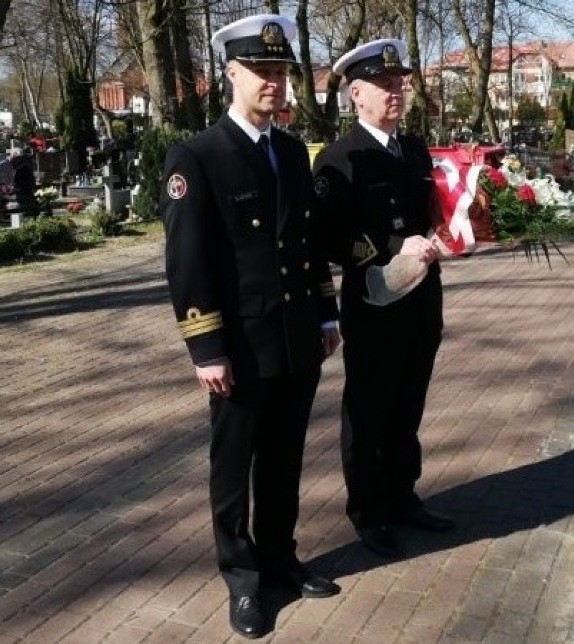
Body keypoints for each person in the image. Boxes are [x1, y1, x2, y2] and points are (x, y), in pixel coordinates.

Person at [161, 13, 341, 639]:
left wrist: (324, 313)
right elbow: (188, 262)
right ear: (230, 75)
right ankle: (241, 580)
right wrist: (206, 348)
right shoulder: (199, 156)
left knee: (286, 459)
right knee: (233, 466)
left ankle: (280, 558)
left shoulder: (292, 152)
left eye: (282, 71)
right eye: (262, 71)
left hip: (294, 335)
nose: (275, 82)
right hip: (238, 342)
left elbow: (309, 244)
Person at [312, 38, 454, 560]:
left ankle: (403, 495)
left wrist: (453, 232)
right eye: (384, 85)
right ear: (356, 95)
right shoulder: (339, 160)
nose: (396, 92)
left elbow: (434, 211)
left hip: (422, 300)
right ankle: (368, 511)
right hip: (375, 306)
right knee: (369, 410)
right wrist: (395, 245)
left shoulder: (413, 149)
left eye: (400, 83)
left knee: (408, 404)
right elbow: (331, 240)